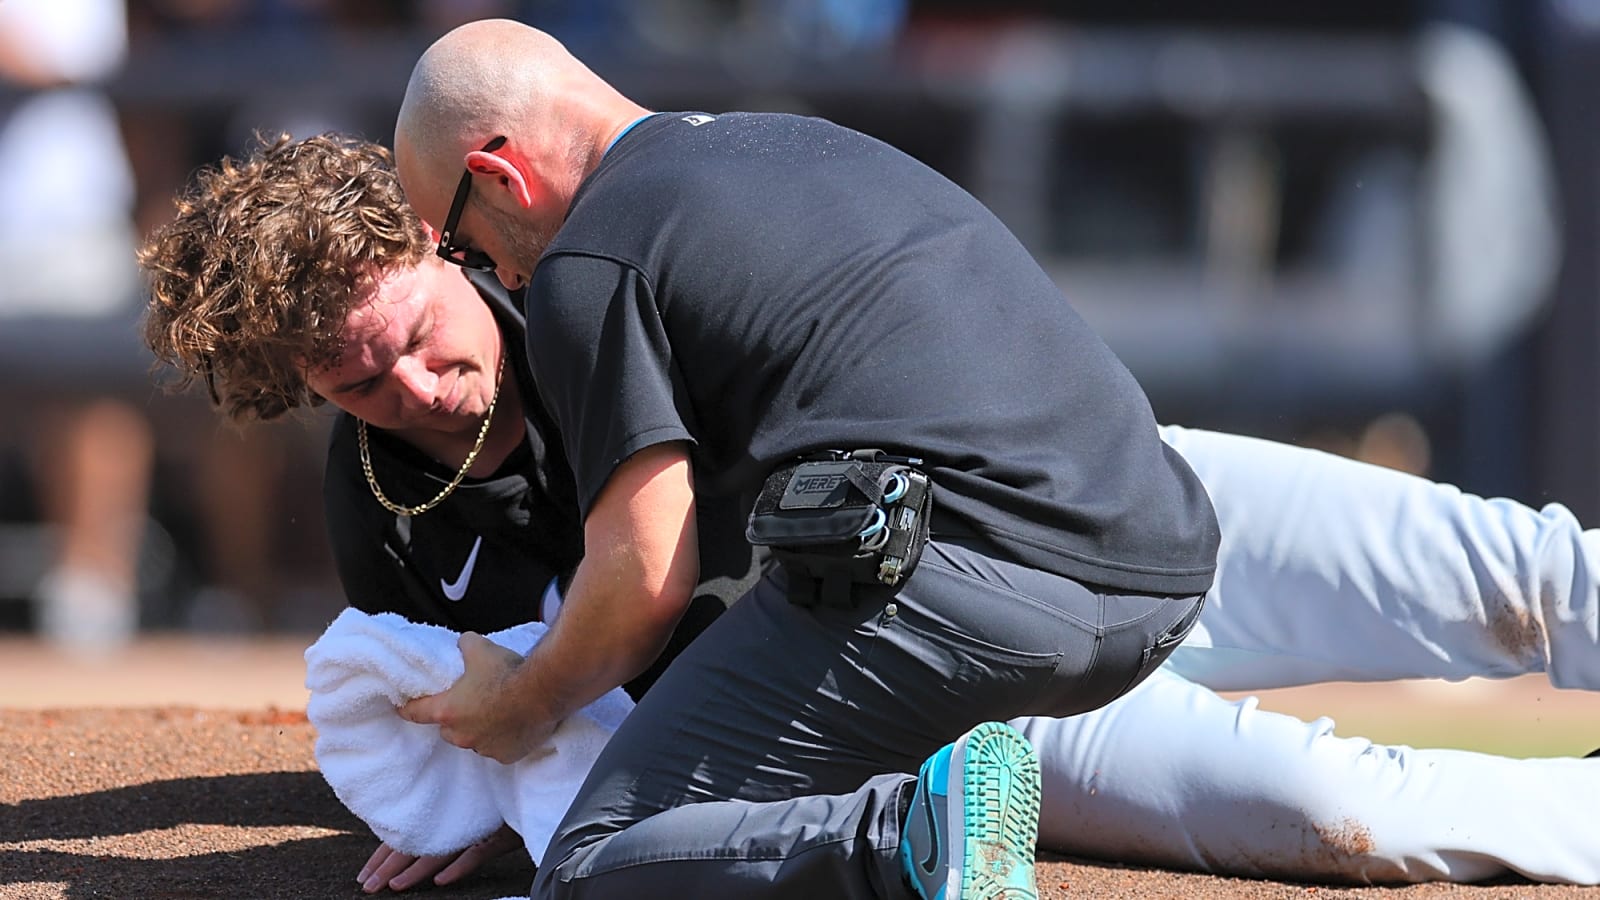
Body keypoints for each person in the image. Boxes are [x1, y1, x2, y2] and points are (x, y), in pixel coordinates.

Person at [139, 132, 1600, 894]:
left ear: (448, 243)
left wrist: (528, 718)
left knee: (1519, 571)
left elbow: (616, 606)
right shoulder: (389, 507)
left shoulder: (604, 274)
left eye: (413, 325)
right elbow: (502, 728)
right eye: (355, 377)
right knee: (1339, 810)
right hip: (950, 679)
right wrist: (484, 801)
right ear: (302, 391)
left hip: (1086, 482)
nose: (416, 380)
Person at [392, 18, 1225, 900]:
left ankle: (905, 839)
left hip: (983, 591)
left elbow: (642, 583)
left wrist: (522, 705)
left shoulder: (588, 258)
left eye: (463, 245)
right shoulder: (796, 138)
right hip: (1165, 570)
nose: (494, 278)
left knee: (593, 861)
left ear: (499, 175)